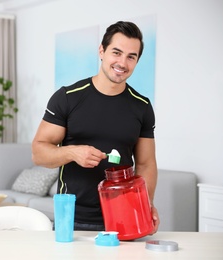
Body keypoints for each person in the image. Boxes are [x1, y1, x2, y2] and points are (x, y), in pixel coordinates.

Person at [32, 21, 160, 232]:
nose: (122, 63)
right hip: (73, 218)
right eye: (116, 53)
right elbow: (39, 152)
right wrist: (73, 152)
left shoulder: (142, 106)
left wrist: (146, 204)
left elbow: (146, 164)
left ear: (137, 61)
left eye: (131, 56)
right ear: (102, 51)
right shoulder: (67, 98)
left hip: (124, 216)